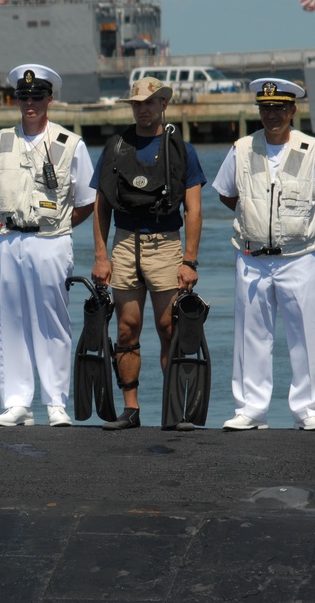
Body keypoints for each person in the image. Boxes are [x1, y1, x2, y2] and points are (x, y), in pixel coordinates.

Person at [212, 77, 315, 431]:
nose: (271, 115)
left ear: (293, 110)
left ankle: (306, 408)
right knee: (251, 335)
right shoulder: (242, 148)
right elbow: (226, 193)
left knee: (305, 332)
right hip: (252, 257)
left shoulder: (313, 150)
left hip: (299, 256)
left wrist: (307, 222)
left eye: (278, 109)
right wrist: (252, 220)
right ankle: (251, 409)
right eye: (265, 108)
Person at [0, 64, 97, 427]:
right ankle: (17, 402)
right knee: (10, 320)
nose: (29, 103)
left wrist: (56, 226)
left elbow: (88, 200)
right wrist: (8, 218)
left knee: (52, 321)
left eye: (37, 96)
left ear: (49, 99)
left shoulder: (69, 144)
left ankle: (56, 403)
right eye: (23, 97)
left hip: (50, 241)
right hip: (7, 240)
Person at [90, 77, 206, 430]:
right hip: (125, 244)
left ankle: (175, 410)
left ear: (163, 105)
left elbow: (194, 210)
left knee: (169, 328)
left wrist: (189, 260)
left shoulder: (182, 150)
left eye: (150, 103)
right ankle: (131, 409)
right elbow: (100, 206)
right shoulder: (115, 147)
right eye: (138, 104)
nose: (143, 109)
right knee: (127, 329)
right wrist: (101, 255)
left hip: (166, 244)